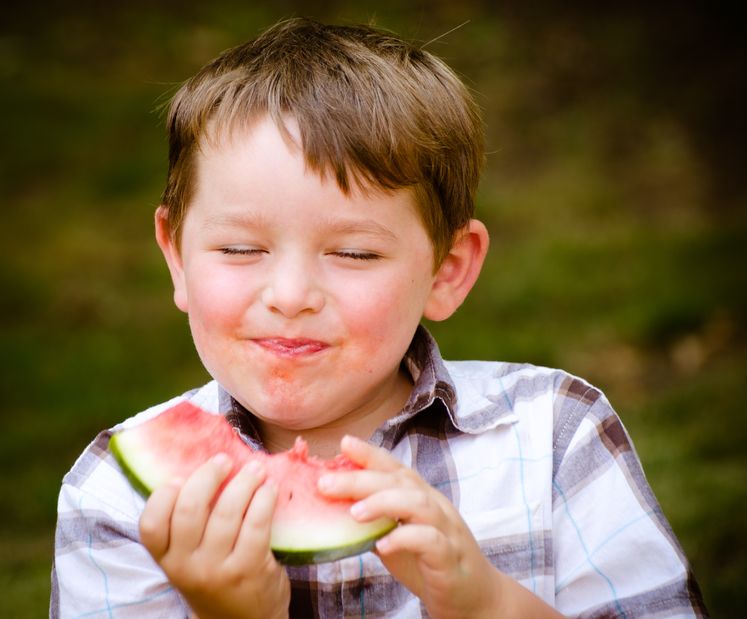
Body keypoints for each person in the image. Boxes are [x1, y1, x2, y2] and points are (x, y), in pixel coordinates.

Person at [51, 17, 708, 619]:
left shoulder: (557, 435)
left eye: (354, 252)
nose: (290, 294)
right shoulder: (115, 496)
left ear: (446, 271)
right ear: (178, 260)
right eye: (241, 248)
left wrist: (490, 605)